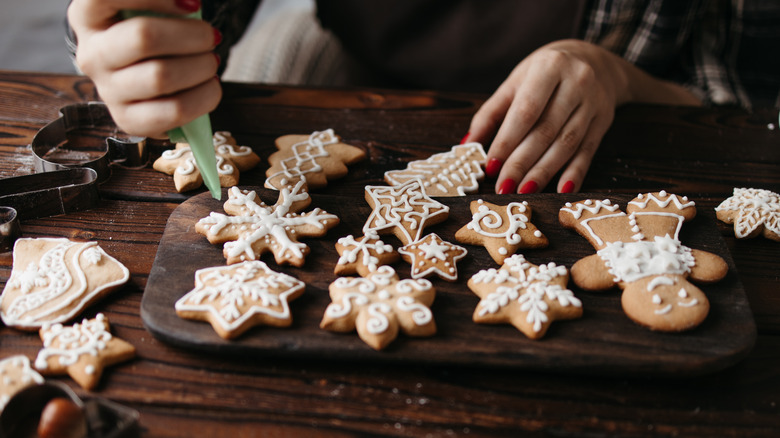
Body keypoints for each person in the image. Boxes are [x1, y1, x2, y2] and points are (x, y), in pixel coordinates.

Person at [66, 0, 780, 194]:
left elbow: (747, 108)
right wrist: (141, 43)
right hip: (360, 58)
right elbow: (202, 16)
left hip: (622, 109)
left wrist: (618, 76)